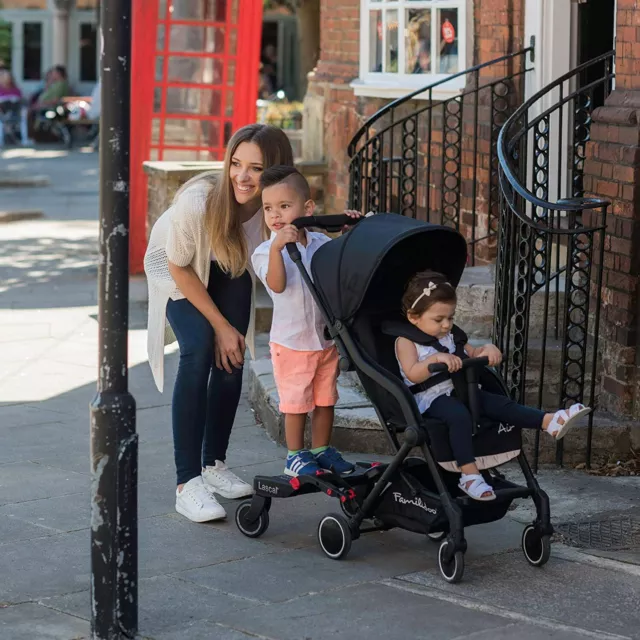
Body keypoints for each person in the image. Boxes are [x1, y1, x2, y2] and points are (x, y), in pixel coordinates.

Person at [144, 124, 295, 523]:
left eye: (257, 168)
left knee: (232, 359)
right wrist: (221, 326)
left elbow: (299, 234)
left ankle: (213, 465)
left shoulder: (274, 204)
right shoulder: (199, 201)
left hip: (227, 264)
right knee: (197, 350)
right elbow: (178, 264)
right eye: (236, 163)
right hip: (177, 267)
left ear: (275, 172)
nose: (242, 177)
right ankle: (187, 482)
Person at [395, 270, 591, 501]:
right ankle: (469, 475)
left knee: (499, 403)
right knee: (458, 416)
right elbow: (412, 373)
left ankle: (551, 422)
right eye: (439, 320)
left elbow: (472, 352)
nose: (447, 325)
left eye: (451, 317)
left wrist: (487, 349)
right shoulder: (406, 341)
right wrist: (433, 360)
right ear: (413, 317)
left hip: (462, 390)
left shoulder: (451, 336)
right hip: (431, 398)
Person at [251, 166, 360, 477]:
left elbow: (342, 270)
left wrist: (349, 233)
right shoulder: (264, 252)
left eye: (284, 206)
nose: (275, 215)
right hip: (292, 343)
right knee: (296, 404)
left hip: (324, 340)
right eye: (268, 208)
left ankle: (321, 449)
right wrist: (277, 247)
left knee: (326, 399)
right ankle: (295, 455)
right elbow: (277, 283)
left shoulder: (320, 243)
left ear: (307, 208)